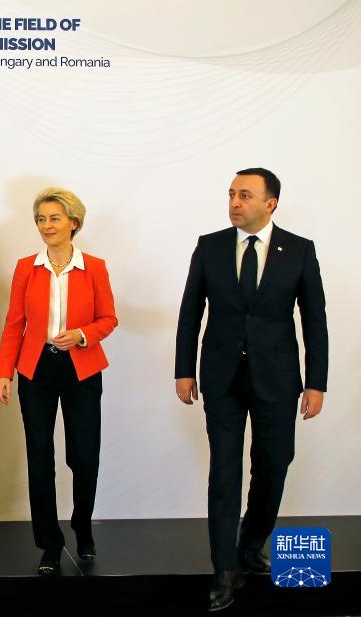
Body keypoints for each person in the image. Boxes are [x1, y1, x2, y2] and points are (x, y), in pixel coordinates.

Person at [175, 168, 327, 611]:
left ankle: (251, 544)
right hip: (221, 377)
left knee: (274, 464)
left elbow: (314, 321)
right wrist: (184, 370)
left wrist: (316, 382)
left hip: (277, 378)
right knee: (224, 472)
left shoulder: (299, 250)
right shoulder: (210, 246)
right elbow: (190, 312)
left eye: (245, 195)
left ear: (270, 203)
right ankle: (225, 570)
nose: (235, 202)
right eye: (231, 194)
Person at [0, 188, 117, 576]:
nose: (46, 225)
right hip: (37, 370)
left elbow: (108, 319)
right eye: (40, 219)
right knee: (39, 456)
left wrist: (81, 335)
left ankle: (83, 527)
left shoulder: (94, 266)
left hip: (82, 369)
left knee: (83, 455)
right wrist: (4, 372)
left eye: (54, 218)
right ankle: (49, 543)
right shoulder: (26, 267)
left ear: (73, 223)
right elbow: (14, 324)